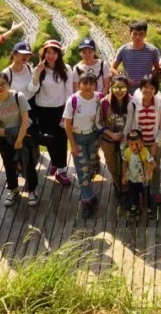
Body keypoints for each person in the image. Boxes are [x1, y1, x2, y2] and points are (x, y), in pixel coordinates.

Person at [0, 71, 38, 207]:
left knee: (27, 162)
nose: (0, 87)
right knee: (9, 164)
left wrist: (19, 139)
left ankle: (32, 190)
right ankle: (13, 189)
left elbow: (25, 119)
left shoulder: (18, 96)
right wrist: (10, 135)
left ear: (8, 84)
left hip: (24, 133)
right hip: (6, 137)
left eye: (3, 83)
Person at [29, 39, 75, 186]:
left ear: (59, 54)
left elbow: (69, 92)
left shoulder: (66, 69)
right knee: (49, 139)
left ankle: (61, 170)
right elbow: (32, 89)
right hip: (42, 110)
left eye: (54, 52)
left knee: (61, 139)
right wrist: (37, 73)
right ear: (44, 54)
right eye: (48, 52)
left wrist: (67, 114)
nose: (51, 55)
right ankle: (56, 162)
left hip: (60, 109)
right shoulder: (39, 69)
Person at [65, 73, 106, 218]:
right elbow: (67, 124)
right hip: (78, 137)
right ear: (79, 84)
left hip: (94, 137)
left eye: (91, 83)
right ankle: (86, 200)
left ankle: (88, 192)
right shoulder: (73, 100)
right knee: (82, 169)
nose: (88, 86)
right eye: (85, 83)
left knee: (92, 167)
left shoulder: (99, 98)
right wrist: (72, 144)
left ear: (95, 84)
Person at [124, 76, 161, 206]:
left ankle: (154, 191)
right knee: (139, 166)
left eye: (152, 87)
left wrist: (156, 143)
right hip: (138, 143)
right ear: (141, 88)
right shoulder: (133, 104)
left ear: (155, 89)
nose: (148, 90)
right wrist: (127, 142)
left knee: (154, 166)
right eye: (145, 87)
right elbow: (129, 124)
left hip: (154, 141)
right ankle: (142, 192)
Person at [100, 75, 132, 192]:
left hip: (128, 141)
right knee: (112, 166)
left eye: (123, 88)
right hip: (108, 140)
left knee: (127, 165)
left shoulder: (132, 102)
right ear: (111, 87)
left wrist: (126, 134)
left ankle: (126, 187)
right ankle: (117, 186)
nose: (119, 91)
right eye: (116, 87)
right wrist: (111, 134)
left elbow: (135, 121)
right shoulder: (104, 102)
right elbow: (99, 123)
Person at [112, 20, 161, 94]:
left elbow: (157, 68)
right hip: (126, 91)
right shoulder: (123, 50)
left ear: (145, 35)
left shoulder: (153, 50)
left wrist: (147, 80)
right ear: (130, 34)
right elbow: (113, 68)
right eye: (135, 34)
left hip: (145, 91)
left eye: (141, 34)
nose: (137, 37)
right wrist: (124, 79)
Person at [121, 129, 156, 217]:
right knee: (133, 194)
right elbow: (125, 164)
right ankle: (135, 206)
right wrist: (124, 176)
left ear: (142, 143)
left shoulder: (146, 152)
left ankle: (148, 207)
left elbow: (154, 164)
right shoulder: (127, 152)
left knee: (146, 194)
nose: (134, 147)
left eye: (137, 144)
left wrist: (147, 173)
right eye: (131, 144)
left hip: (144, 180)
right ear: (128, 143)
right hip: (132, 179)